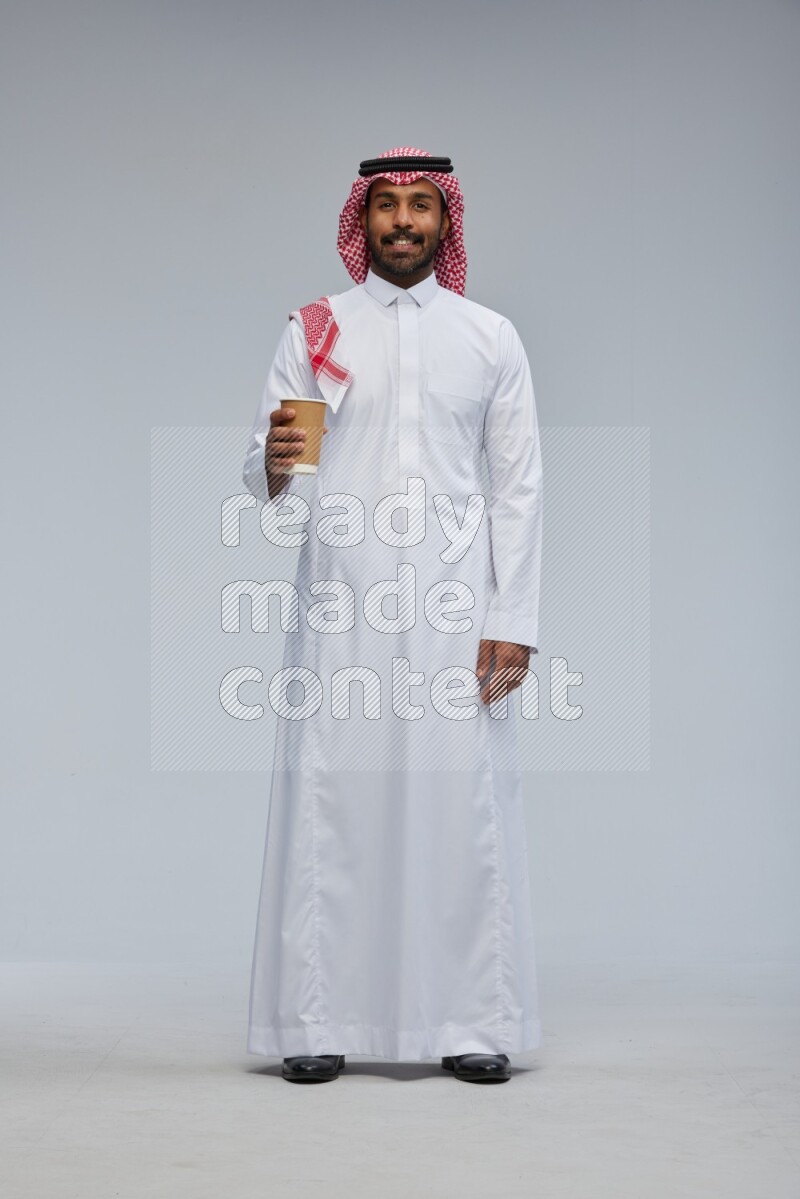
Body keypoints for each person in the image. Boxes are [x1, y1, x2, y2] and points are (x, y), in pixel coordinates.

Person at [242, 147, 544, 1084]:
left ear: (445, 223)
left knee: (462, 808)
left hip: (459, 615)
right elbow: (268, 467)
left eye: (421, 206)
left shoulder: (491, 336)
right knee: (335, 803)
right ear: (361, 221)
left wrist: (514, 619)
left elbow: (519, 488)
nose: (403, 222)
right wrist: (275, 458)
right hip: (344, 599)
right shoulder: (319, 328)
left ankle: (470, 1023)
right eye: (387, 207)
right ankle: (317, 1019)